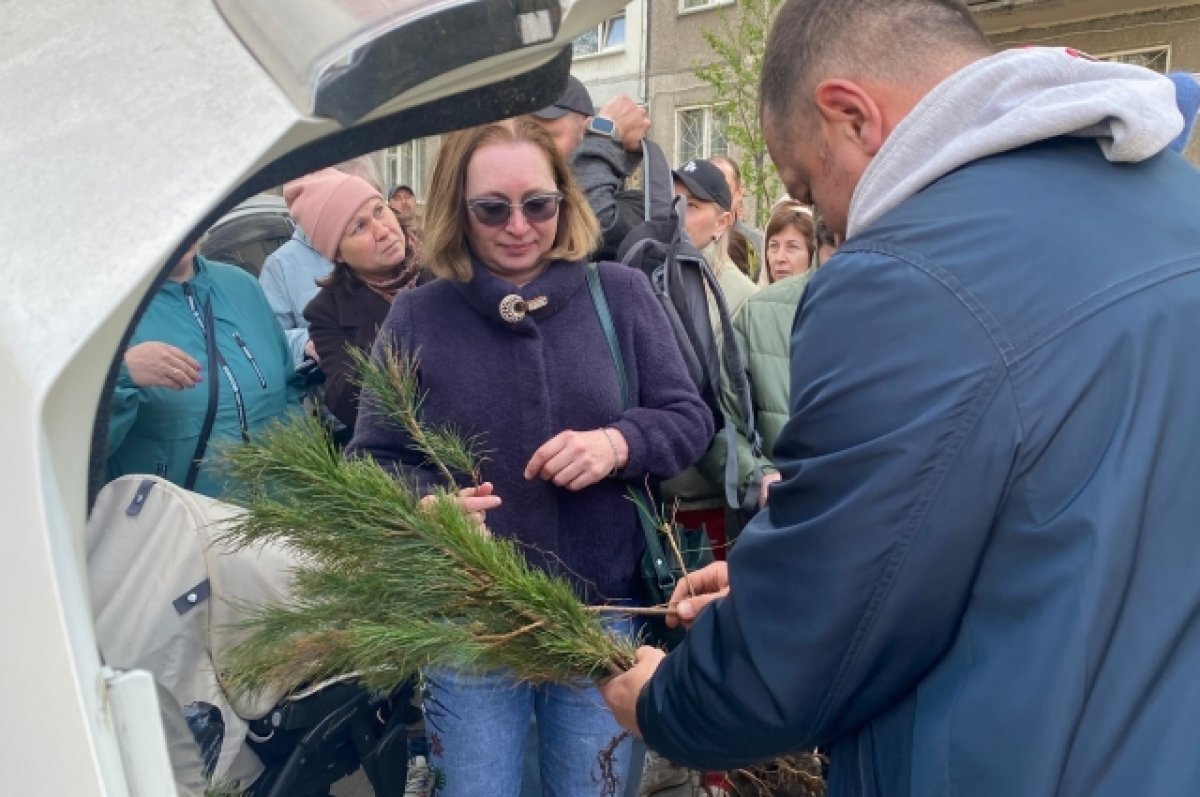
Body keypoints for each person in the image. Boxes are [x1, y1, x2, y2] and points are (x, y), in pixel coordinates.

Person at [601, 1, 1200, 796]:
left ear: (852, 116)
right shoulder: (1172, 200)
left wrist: (663, 702)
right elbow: (1061, 514)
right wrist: (773, 572)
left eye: (808, 185)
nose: (827, 221)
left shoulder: (901, 281)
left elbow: (803, 654)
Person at [347, 116, 713, 797]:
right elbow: (371, 460)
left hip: (600, 614)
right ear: (458, 207)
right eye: (492, 208)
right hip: (471, 626)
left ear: (563, 200)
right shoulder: (418, 317)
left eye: (538, 204)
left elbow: (690, 418)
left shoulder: (619, 294)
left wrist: (617, 443)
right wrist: (426, 505)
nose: (518, 225)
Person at [107, 245, 300, 499]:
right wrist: (120, 371)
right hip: (180, 524)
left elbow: (290, 391)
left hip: (279, 513)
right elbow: (76, 446)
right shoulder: (108, 311)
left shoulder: (242, 285)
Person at [283, 168, 420, 439]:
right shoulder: (327, 314)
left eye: (379, 210)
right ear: (338, 255)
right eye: (359, 227)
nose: (381, 231)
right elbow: (351, 404)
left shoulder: (447, 264)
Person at [259, 155, 385, 369]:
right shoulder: (281, 265)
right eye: (348, 205)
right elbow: (265, 339)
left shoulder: (395, 245)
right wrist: (306, 343)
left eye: (374, 206)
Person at [531, 76, 653, 260]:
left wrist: (602, 135)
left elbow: (595, 223)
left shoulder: (635, 205)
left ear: (584, 132)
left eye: (549, 135)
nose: (534, 147)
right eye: (528, 135)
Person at [710, 154, 764, 277]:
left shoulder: (758, 245)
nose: (716, 194)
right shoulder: (694, 241)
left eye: (724, 187)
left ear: (739, 191)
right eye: (710, 187)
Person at [759, 201, 815, 286]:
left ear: (812, 255)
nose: (779, 258)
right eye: (774, 246)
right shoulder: (754, 298)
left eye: (792, 247)